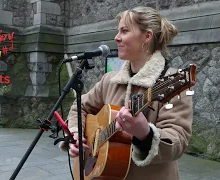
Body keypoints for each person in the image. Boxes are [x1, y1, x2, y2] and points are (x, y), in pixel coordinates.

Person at [59, 6, 193, 180]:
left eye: (124, 31)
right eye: (118, 31)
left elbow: (178, 141)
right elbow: (80, 107)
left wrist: (145, 133)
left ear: (147, 37)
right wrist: (76, 134)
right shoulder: (110, 80)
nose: (116, 37)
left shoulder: (172, 82)